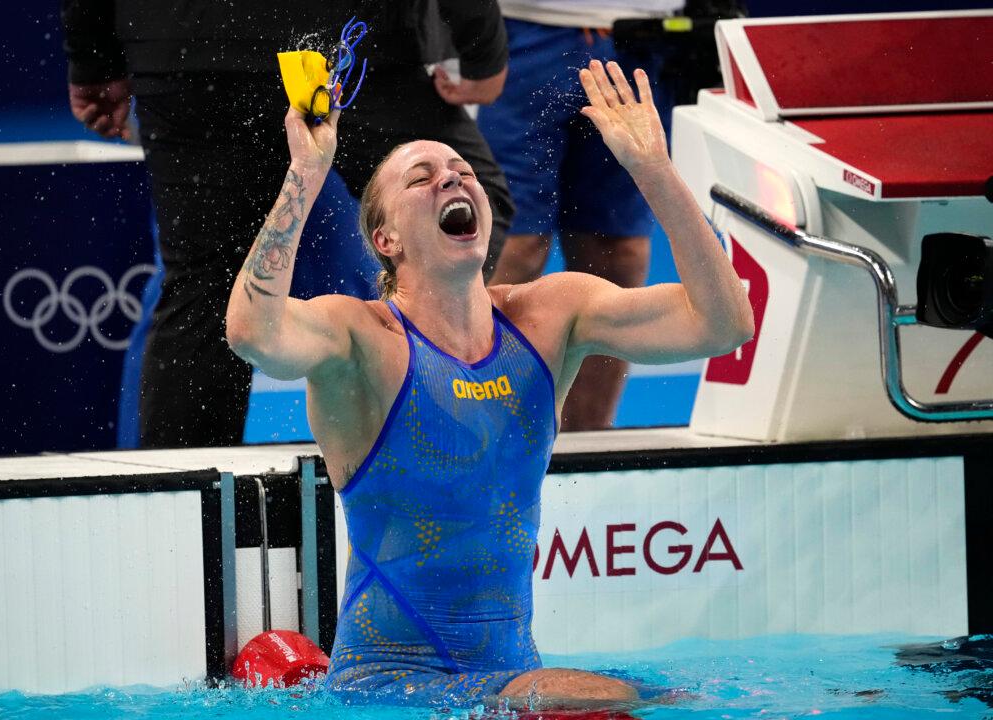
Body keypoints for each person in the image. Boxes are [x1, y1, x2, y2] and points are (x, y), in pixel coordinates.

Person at [226, 59, 753, 709]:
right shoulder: (360, 339)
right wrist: (306, 174)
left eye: (463, 171)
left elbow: (725, 324)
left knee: (689, 699)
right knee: (610, 700)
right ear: (385, 238)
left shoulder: (549, 316)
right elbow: (252, 331)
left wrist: (653, 169)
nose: (451, 176)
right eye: (422, 178)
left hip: (512, 683)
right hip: (389, 688)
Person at [60, 1, 514, 448]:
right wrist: (482, 51)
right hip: (352, 43)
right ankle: (436, 444)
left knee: (201, 292)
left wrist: (93, 60)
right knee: (461, 214)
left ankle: (183, 505)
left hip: (187, 48)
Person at [477, 0, 681, 431]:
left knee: (616, 252)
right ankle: (479, 437)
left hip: (644, 36)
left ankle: (588, 444)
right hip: (525, 30)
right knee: (512, 246)